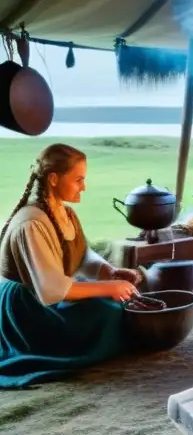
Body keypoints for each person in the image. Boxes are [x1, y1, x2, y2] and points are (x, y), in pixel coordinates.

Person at [0, 143, 142, 388]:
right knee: (108, 313)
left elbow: (83, 256)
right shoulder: (32, 223)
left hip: (47, 297)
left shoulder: (66, 214)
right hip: (26, 308)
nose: (84, 187)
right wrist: (110, 287)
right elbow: (52, 290)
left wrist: (110, 272)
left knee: (111, 305)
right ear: (54, 179)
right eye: (78, 180)